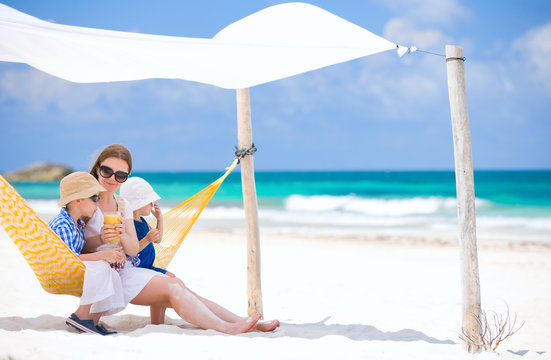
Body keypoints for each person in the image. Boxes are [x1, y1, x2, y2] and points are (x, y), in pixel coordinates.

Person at [83, 144, 279, 334]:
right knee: (174, 288)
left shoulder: (122, 204)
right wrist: (102, 239)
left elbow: (133, 250)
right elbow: (76, 247)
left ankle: (242, 322)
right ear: (98, 168)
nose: (112, 178)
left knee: (182, 289)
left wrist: (123, 233)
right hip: (109, 274)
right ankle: (226, 328)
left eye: (121, 175)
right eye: (107, 171)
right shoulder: (85, 201)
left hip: (126, 269)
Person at [48, 172, 126, 335]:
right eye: (95, 198)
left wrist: (102, 240)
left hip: (71, 265)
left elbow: (79, 251)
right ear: (78, 200)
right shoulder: (63, 224)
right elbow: (69, 259)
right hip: (59, 270)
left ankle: (92, 319)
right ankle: (80, 315)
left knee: (108, 269)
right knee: (101, 266)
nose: (98, 204)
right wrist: (104, 255)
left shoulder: (77, 223)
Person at [120, 176, 175, 324]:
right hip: (137, 269)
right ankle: (157, 322)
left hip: (148, 267)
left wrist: (159, 219)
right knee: (164, 288)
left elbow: (158, 239)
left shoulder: (143, 221)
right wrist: (147, 239)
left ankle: (158, 322)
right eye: (149, 202)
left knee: (173, 278)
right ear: (138, 204)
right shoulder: (129, 224)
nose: (152, 204)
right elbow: (130, 251)